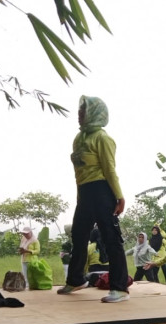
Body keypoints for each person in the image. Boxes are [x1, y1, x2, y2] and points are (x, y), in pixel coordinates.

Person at [60, 95, 129, 303]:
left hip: (102, 191)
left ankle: (120, 288)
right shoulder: (79, 138)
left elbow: (109, 169)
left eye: (83, 112)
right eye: (79, 111)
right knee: (79, 235)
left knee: (110, 238)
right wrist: (79, 196)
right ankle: (76, 279)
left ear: (94, 114)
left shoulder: (103, 138)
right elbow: (78, 173)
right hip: (85, 192)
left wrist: (119, 196)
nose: (79, 115)